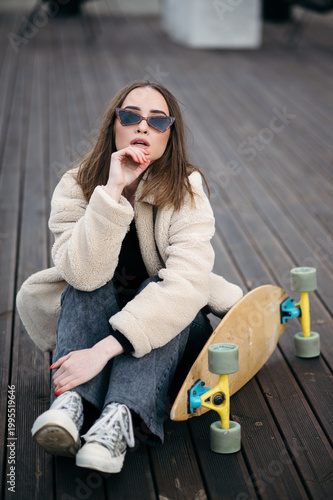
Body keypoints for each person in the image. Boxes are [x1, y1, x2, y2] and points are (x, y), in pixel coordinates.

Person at [17, 80, 243, 474]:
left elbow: (185, 287)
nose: (143, 127)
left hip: (172, 336)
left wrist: (102, 350)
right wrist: (113, 189)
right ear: (114, 127)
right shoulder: (75, 186)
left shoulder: (186, 190)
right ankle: (72, 406)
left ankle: (119, 422)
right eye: (130, 116)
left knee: (163, 291)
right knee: (81, 285)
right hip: (95, 322)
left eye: (158, 121)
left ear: (169, 137)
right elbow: (83, 275)